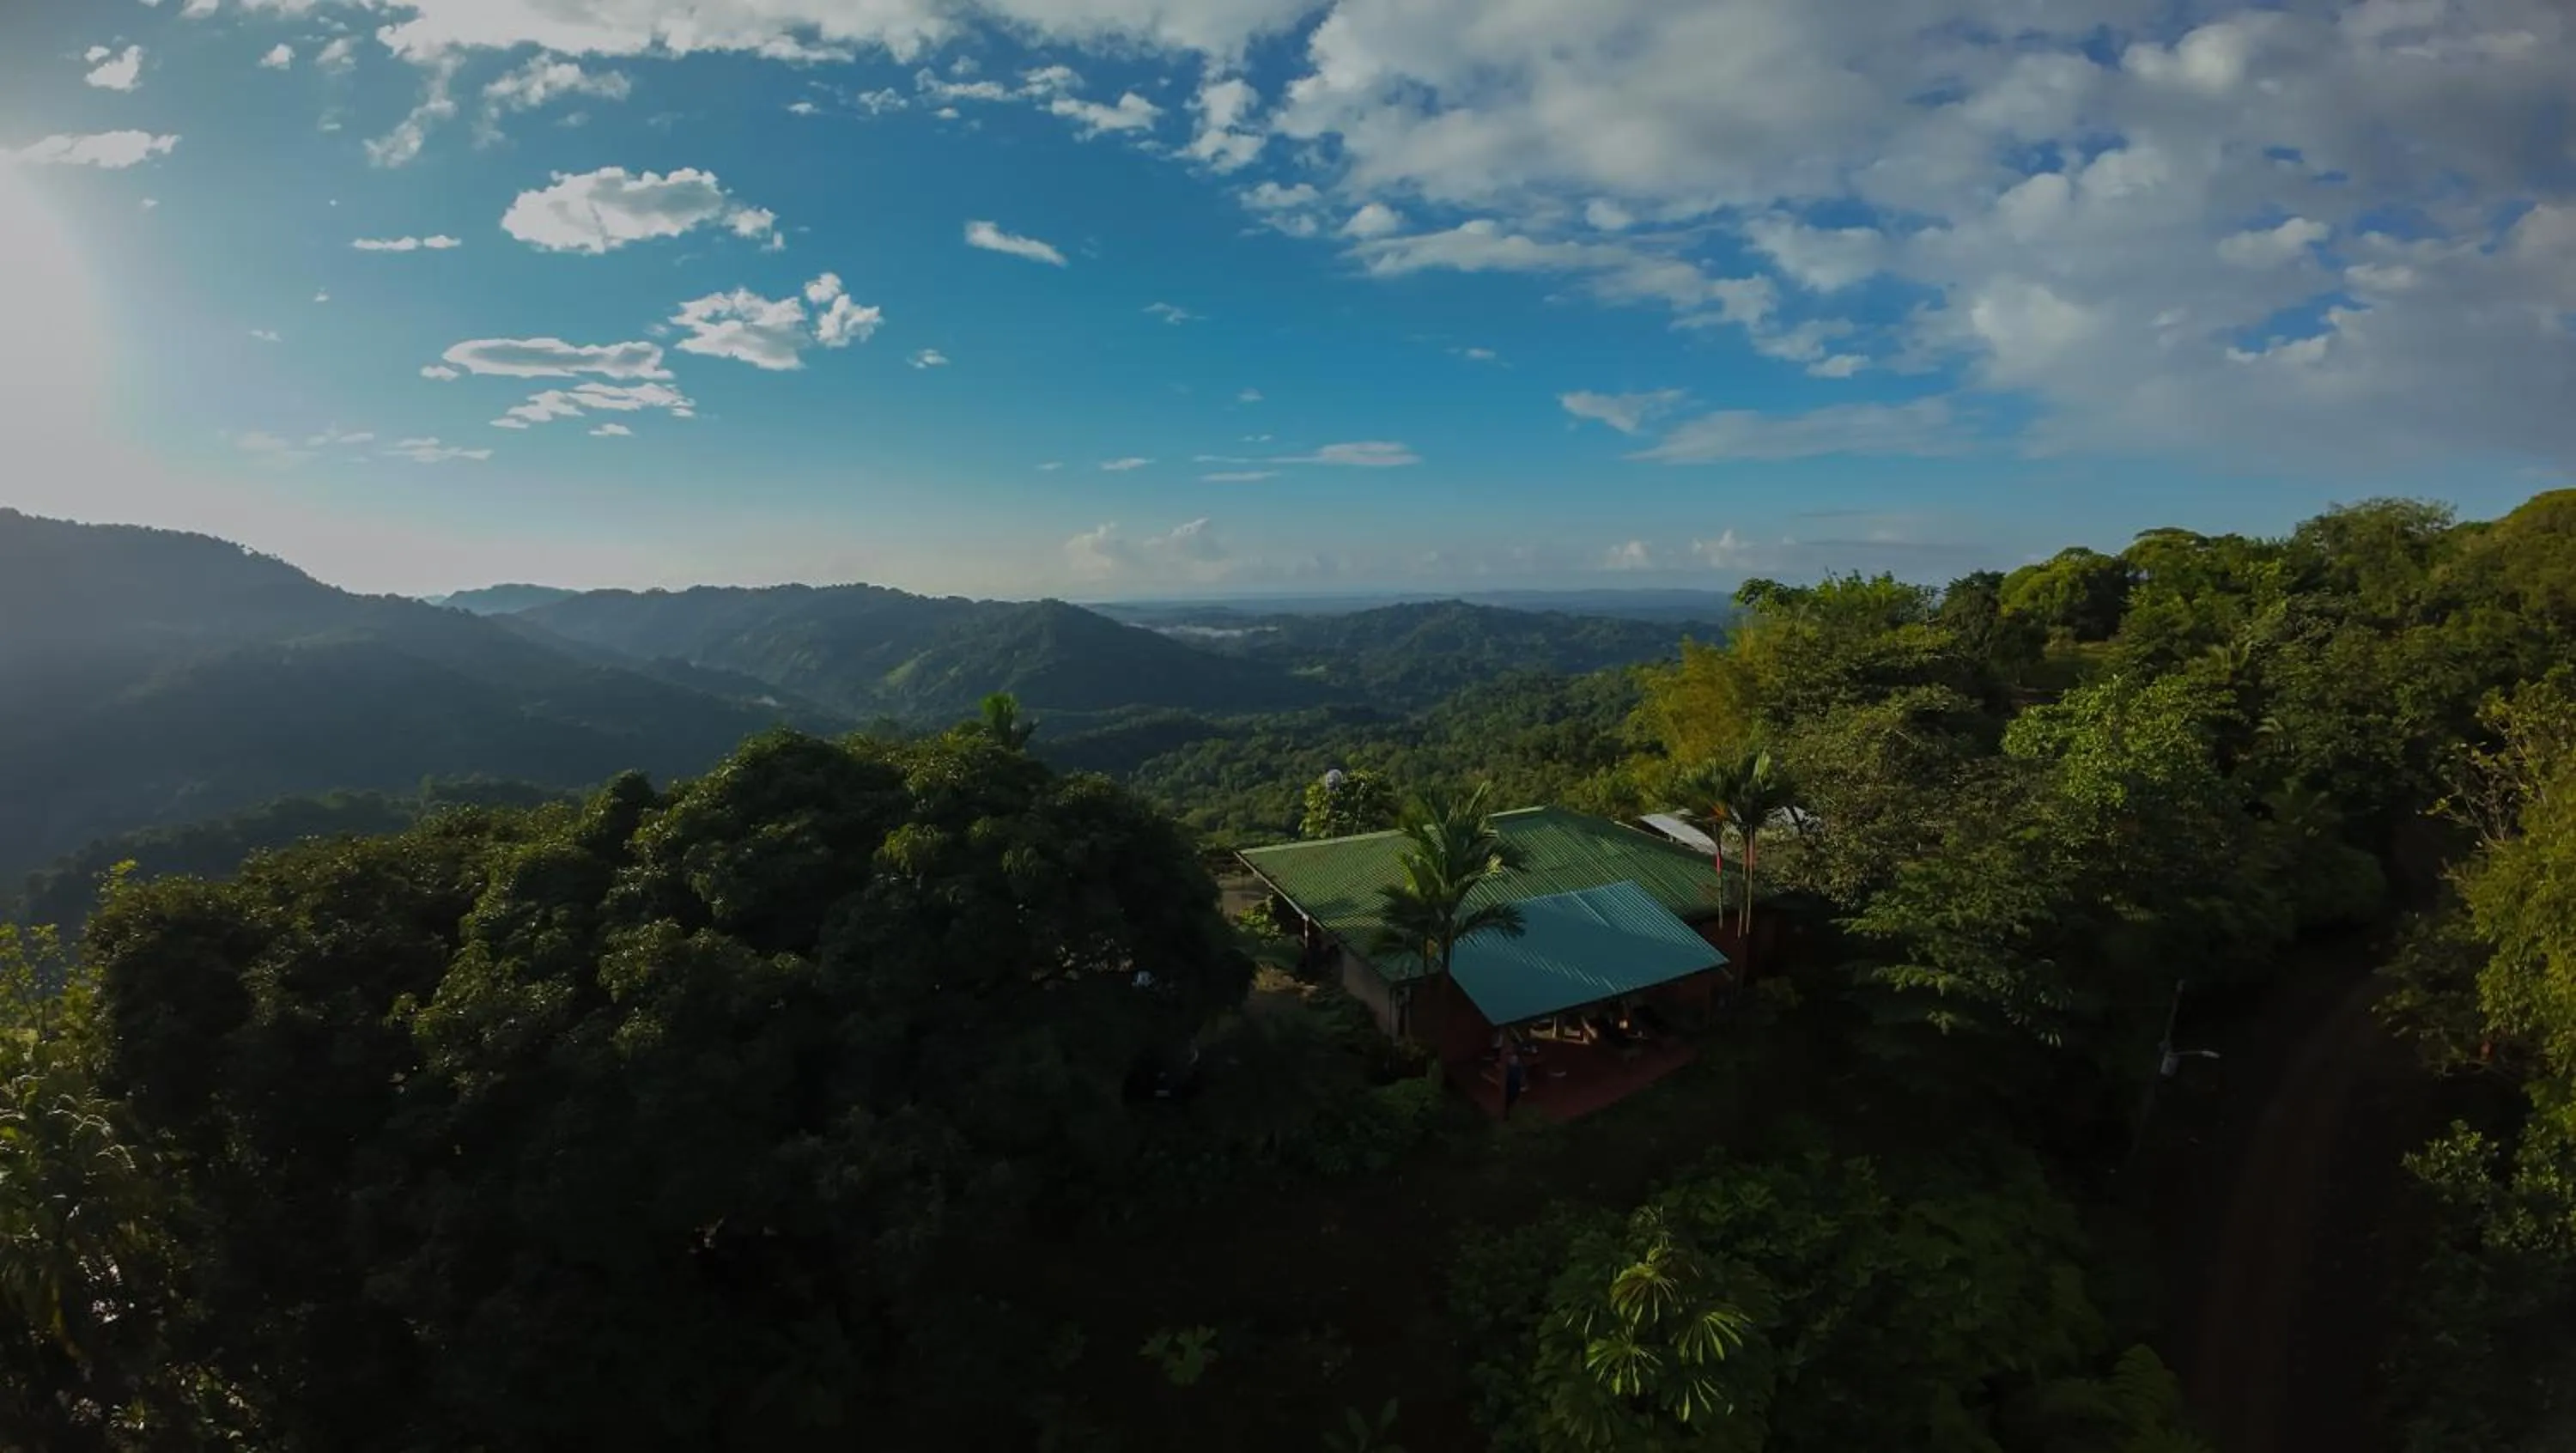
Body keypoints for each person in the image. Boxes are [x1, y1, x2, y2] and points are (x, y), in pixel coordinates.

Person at [1502, 1042, 1528, 1119]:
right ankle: (1508, 1113)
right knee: (1511, 1097)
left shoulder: (1517, 1063)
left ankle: (1509, 1113)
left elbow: (1521, 1073)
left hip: (1514, 1082)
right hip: (1512, 1081)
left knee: (1512, 1096)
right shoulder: (1514, 1063)